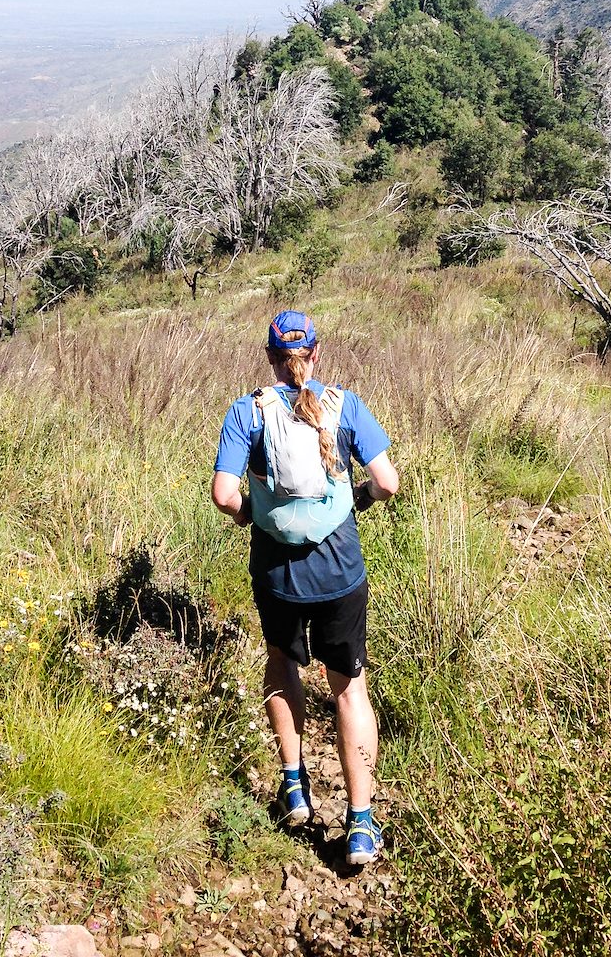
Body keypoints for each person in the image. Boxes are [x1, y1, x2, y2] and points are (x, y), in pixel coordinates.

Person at [211, 309, 399, 867]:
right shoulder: (348, 405)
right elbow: (387, 482)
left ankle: (294, 787)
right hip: (340, 570)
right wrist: (356, 501)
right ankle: (360, 824)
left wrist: (253, 517)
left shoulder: (248, 411)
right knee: (349, 688)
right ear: (316, 354)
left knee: (281, 663)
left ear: (270, 358)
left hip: (277, 572)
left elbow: (223, 494)